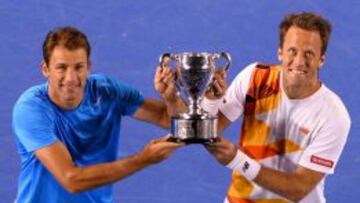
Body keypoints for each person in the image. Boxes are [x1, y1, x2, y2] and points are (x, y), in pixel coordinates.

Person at [12, 26, 184, 203]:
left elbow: (167, 117)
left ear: (89, 67)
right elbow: (71, 180)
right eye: (61, 68)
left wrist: (171, 99)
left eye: (78, 67)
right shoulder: (31, 108)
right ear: (45, 69)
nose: (71, 78)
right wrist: (144, 159)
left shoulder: (108, 91)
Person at [199, 12, 351, 202]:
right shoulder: (255, 78)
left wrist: (237, 160)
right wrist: (211, 101)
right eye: (292, 51)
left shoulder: (334, 115)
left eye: (309, 53)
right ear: (280, 52)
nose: (299, 61)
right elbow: (207, 132)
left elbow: (298, 188)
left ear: (321, 59)